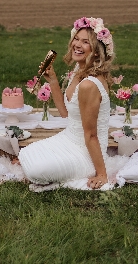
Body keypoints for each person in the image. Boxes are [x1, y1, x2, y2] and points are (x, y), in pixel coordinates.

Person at [18, 17, 115, 190]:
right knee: (25, 153)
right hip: (69, 138)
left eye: (85, 42)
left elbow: (91, 134)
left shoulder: (89, 85)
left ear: (97, 51)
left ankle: (89, 168)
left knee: (34, 170)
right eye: (76, 39)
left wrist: (101, 174)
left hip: (86, 152)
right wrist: (53, 81)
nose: (77, 44)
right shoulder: (79, 70)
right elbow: (65, 114)